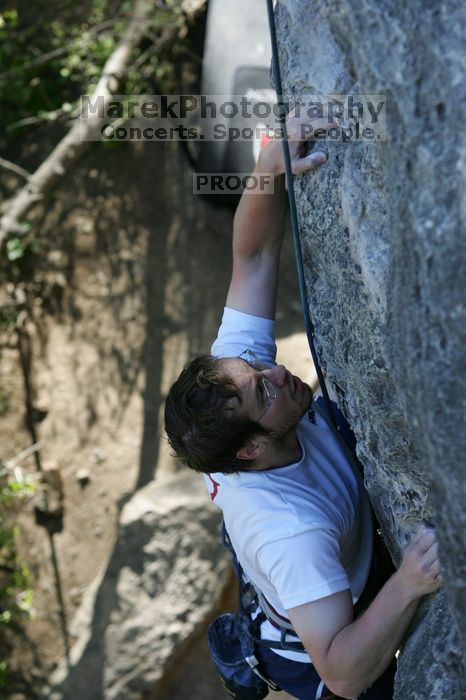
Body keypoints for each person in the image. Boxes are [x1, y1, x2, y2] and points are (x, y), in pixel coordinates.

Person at [164, 110, 442, 700]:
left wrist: (270, 165)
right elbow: (341, 672)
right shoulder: (291, 535)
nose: (275, 371)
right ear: (250, 447)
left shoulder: (237, 384)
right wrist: (410, 581)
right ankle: (264, 650)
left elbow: (256, 255)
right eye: (262, 391)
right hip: (315, 645)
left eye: (256, 369)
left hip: (299, 545)